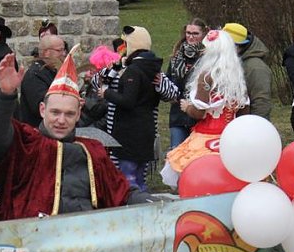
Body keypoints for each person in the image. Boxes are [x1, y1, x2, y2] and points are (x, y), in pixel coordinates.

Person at [0, 51, 151, 220]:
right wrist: (5, 95)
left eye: (69, 114)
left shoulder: (93, 150)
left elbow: (121, 192)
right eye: (55, 112)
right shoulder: (26, 141)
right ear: (42, 110)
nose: (61, 120)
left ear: (78, 115)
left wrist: (154, 204)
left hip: (85, 238)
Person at [163, 29, 250, 185]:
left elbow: (199, 113)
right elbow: (244, 111)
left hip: (207, 136)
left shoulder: (206, 76)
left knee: (201, 175)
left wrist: (187, 107)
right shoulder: (236, 76)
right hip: (231, 137)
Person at [103, 25, 163, 191]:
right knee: (140, 178)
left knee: (128, 179)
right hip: (147, 128)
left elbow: (128, 100)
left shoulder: (133, 71)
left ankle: (131, 208)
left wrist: (107, 93)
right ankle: (143, 204)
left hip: (130, 132)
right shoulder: (153, 68)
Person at [166, 18, 208, 149]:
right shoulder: (177, 56)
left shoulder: (208, 58)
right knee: (176, 153)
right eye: (188, 33)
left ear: (203, 35)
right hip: (178, 115)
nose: (190, 36)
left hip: (198, 115)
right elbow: (168, 80)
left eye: (195, 33)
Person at [222, 22, 273, 119]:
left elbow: (261, 103)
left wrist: (255, 127)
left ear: (237, 46)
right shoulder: (232, 63)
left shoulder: (256, 68)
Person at [19, 33, 67, 127]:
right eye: (59, 50)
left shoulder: (52, 71)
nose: (64, 54)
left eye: (64, 50)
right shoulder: (34, 75)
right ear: (46, 53)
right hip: (37, 132)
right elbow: (40, 106)